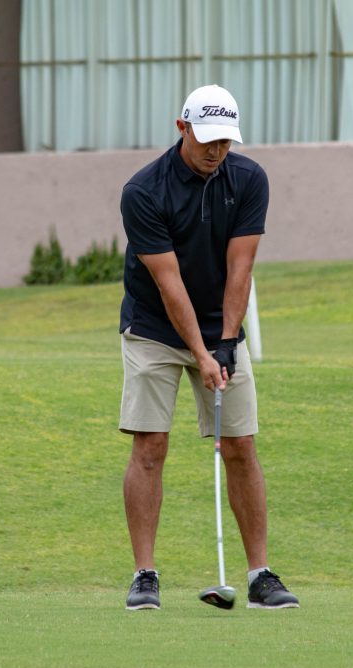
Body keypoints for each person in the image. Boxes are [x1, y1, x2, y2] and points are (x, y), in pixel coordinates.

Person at [118, 84, 299, 610]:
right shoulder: (143, 191)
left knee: (240, 445)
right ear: (183, 128)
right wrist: (200, 352)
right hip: (154, 328)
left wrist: (224, 345)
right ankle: (145, 575)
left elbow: (241, 268)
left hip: (222, 326)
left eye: (226, 141)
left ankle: (260, 576)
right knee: (150, 446)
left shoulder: (249, 180)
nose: (217, 151)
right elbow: (169, 283)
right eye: (207, 140)